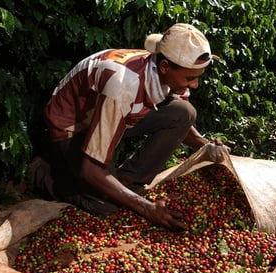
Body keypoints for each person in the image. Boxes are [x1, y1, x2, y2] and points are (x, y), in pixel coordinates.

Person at [31, 23, 230, 231]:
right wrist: (146, 208)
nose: (195, 84)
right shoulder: (123, 86)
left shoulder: (167, 70)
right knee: (106, 206)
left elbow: (183, 120)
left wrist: (206, 146)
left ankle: (126, 183)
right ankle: (42, 173)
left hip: (112, 114)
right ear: (164, 67)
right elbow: (90, 169)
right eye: (190, 78)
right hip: (74, 124)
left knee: (184, 112)